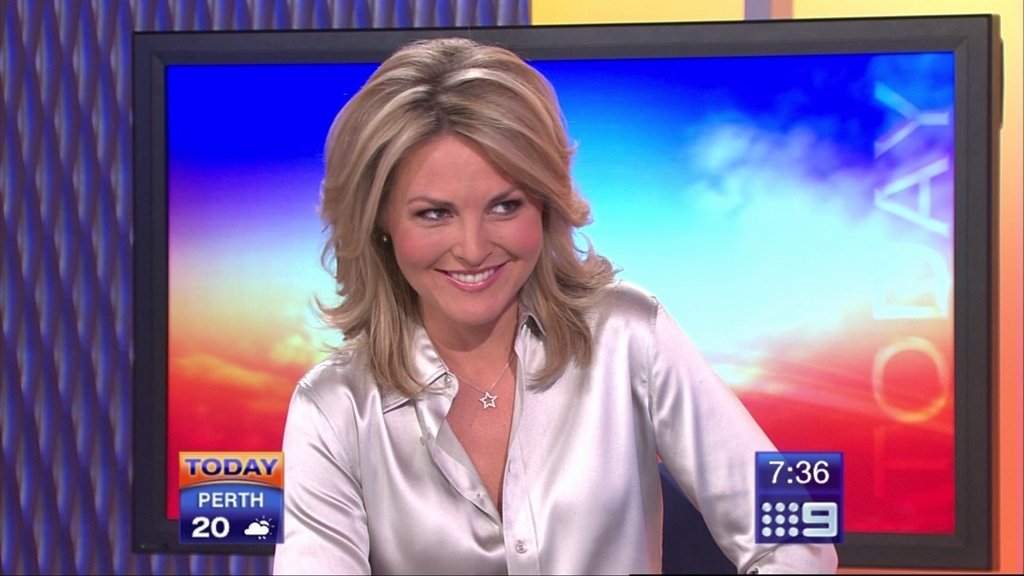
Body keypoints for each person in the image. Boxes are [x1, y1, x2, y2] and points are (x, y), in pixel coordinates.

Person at [272, 36, 838, 575]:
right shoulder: (334, 406)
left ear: (545, 206)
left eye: (505, 206)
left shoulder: (627, 334)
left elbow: (796, 533)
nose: (472, 248)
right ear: (380, 223)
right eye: (435, 213)